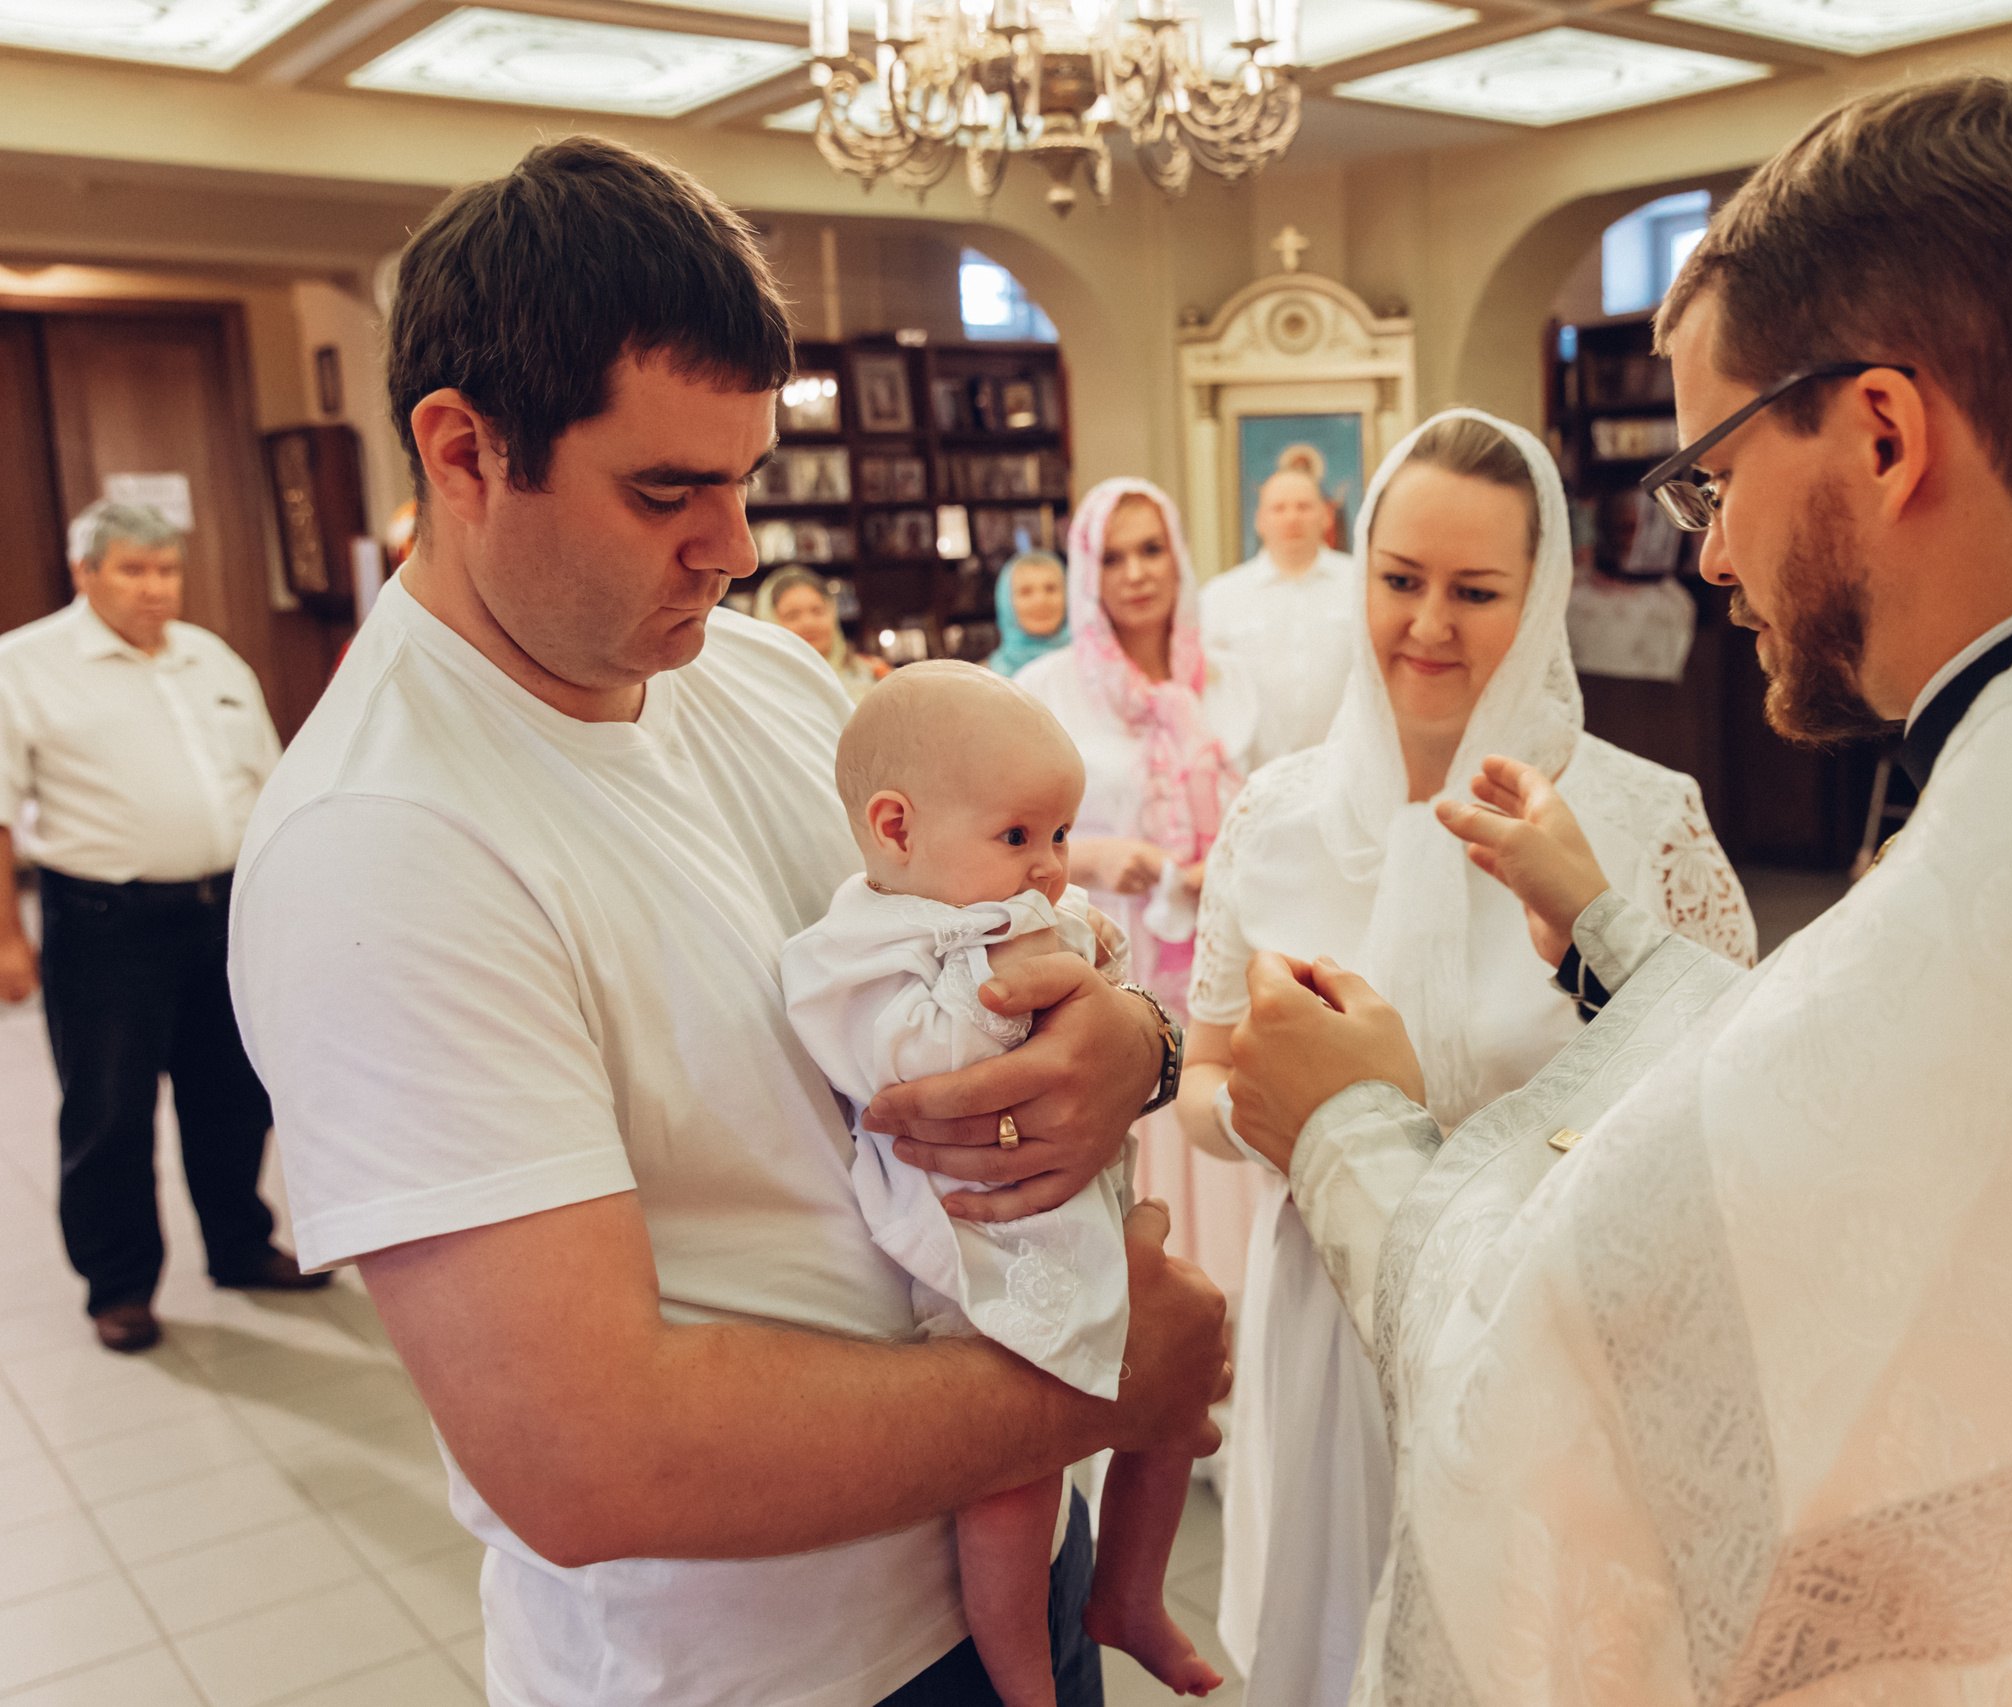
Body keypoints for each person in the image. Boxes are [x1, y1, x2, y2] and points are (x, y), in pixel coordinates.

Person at [1224, 74, 2012, 1704]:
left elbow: (1547, 1374)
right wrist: (1615, 940)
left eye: (1717, 475)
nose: (1712, 552)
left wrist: (1346, 1126)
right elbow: (1846, 1085)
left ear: (1881, 432)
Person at [227, 135, 1226, 1707]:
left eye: (746, 475)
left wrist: (1131, 1044)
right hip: (763, 1668)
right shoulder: (382, 847)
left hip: (1000, 1556)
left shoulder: (751, 672)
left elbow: (963, 944)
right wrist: (1089, 1385)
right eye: (665, 489)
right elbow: (586, 1451)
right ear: (465, 450)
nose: (736, 543)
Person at [1176, 409, 1755, 1707]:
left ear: (1539, 593)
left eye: (1475, 590)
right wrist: (1267, 1115)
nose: (1428, 624)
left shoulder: (1637, 819)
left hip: (1549, 1329)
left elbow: (1722, 1095)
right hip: (1328, 1325)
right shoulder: (1276, 816)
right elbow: (1209, 1072)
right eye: (1400, 579)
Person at [782, 662, 1221, 1706]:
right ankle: (1022, 1675)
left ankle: (1129, 1590)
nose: (1049, 869)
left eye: (1062, 838)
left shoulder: (998, 909)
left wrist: (1095, 978)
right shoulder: (857, 949)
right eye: (1020, 838)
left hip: (1067, 1213)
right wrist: (1029, 987)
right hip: (972, 1246)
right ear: (896, 829)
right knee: (1013, 1478)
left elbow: (1100, 999)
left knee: (1172, 1400)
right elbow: (902, 1061)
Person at [0, 499, 320, 1355]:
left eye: (166, 569)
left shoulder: (207, 657)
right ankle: (121, 1285)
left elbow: (273, 778)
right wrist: (6, 938)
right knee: (109, 1110)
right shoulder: (24, 666)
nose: (155, 588)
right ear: (85, 573)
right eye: (133, 570)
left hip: (222, 915)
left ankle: (240, 1244)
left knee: (234, 1093)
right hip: (106, 926)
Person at [1015, 480, 1257, 1300]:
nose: (1136, 573)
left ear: (1179, 557)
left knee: (1216, 1112)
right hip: (1107, 949)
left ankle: (1228, 1305)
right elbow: (994, 829)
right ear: (1086, 571)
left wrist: (1220, 858)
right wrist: (1090, 858)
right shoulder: (1048, 689)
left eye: (1152, 549)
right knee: (1133, 1132)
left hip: (1218, 943)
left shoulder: (1227, 681)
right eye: (1112, 556)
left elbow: (1274, 806)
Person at [1198, 468, 1360, 770]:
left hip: (1346, 768)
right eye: (1279, 508)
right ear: (1259, 520)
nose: (1292, 518)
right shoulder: (1220, 596)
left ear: (1325, 516)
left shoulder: (1362, 585)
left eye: (1303, 506)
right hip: (1251, 775)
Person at [755, 563, 887, 701]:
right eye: (792, 615)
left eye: (817, 611)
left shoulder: (875, 675)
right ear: (769, 622)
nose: (809, 623)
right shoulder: (760, 689)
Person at [986, 550, 1070, 679]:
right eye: (1026, 592)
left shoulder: (1094, 666)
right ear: (1006, 602)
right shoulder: (986, 680)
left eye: (1050, 588)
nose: (1040, 601)